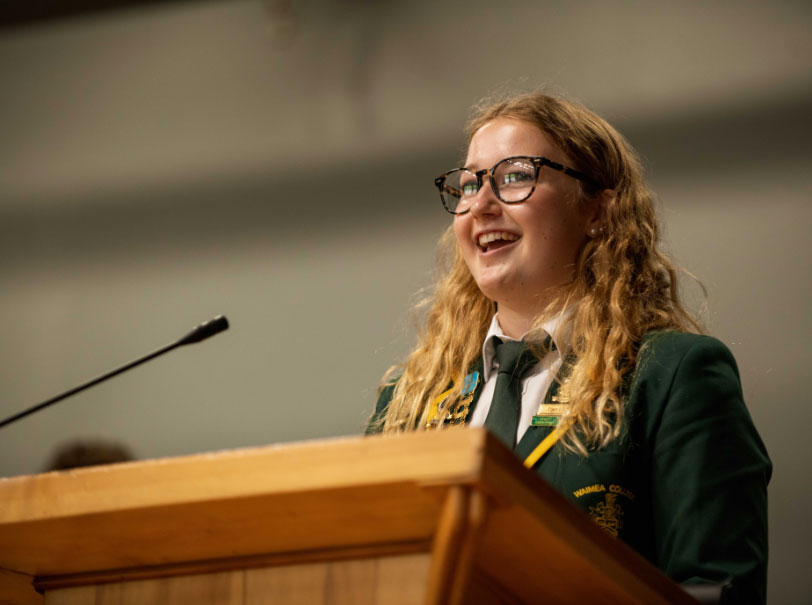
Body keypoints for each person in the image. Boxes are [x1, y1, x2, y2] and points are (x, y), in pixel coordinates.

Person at [367, 92, 771, 604]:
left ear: (598, 210)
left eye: (514, 175)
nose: (481, 205)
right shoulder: (409, 399)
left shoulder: (671, 373)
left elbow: (717, 591)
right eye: (469, 184)